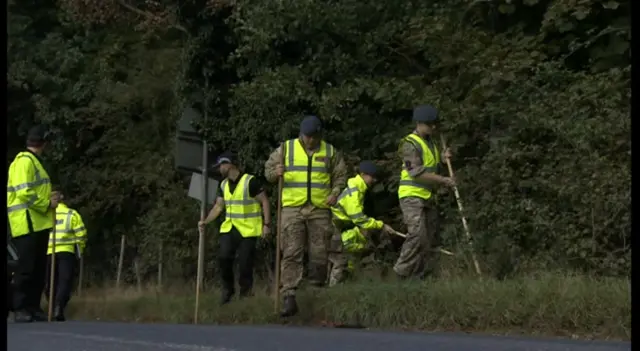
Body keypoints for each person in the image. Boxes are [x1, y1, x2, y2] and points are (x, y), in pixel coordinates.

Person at [264, 115, 347, 317]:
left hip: (319, 208)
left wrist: (335, 193)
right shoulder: (285, 149)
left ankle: (316, 290)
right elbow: (267, 173)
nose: (311, 140)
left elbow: (340, 176)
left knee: (320, 251)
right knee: (292, 251)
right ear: (301, 134)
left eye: (315, 136)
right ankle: (289, 296)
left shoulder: (330, 151)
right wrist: (276, 172)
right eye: (308, 136)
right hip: (293, 208)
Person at [199, 151, 272, 305]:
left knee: (245, 262)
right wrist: (205, 221)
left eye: (221, 165)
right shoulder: (223, 184)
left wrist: (266, 225)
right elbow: (219, 206)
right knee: (224, 258)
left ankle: (245, 293)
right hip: (230, 228)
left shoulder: (250, 181)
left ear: (229, 164)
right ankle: (228, 290)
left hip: (248, 230)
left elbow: (264, 201)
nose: (219, 169)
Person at [394, 105, 455, 280]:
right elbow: (416, 173)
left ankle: (418, 276)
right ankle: (401, 272)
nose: (433, 128)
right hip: (411, 194)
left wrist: (444, 159)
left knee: (428, 239)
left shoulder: (431, 144)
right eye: (430, 124)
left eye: (435, 124)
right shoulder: (409, 144)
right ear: (420, 123)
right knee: (417, 235)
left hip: (428, 196)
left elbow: (433, 164)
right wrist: (443, 180)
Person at [7, 125, 60, 323]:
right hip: (27, 222)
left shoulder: (35, 163)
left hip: (38, 223)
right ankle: (20, 307)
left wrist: (52, 197)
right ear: (43, 143)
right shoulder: (24, 162)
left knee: (38, 268)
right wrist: (47, 203)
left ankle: (32, 306)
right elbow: (24, 193)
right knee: (26, 267)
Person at [328, 161, 396, 286]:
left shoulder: (359, 188)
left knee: (350, 260)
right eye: (372, 177)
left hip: (345, 230)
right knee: (340, 262)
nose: (374, 180)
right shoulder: (354, 191)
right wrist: (381, 225)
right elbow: (358, 218)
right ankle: (334, 290)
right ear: (363, 174)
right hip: (336, 230)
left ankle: (347, 287)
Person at [44, 189, 87, 321]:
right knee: (64, 281)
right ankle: (58, 307)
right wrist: (81, 248)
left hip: (49, 252)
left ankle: (51, 306)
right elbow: (81, 233)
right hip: (66, 252)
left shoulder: (45, 214)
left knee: (50, 282)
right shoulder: (71, 214)